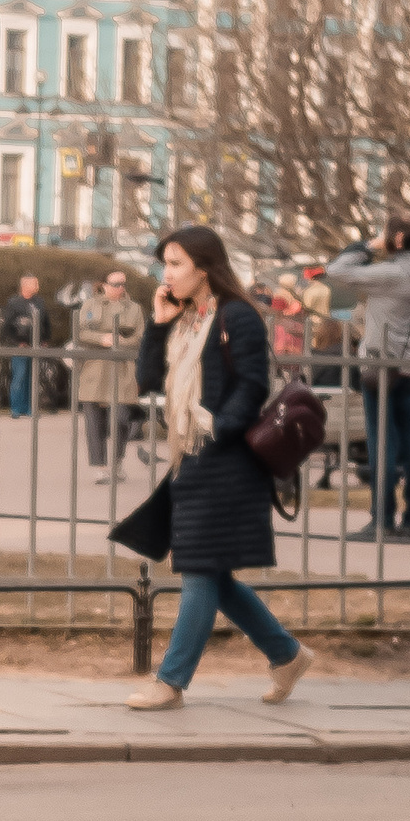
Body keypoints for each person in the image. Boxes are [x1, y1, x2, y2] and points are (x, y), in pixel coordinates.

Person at [124, 226, 306, 712]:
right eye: (165, 264)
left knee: (200, 570)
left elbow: (251, 386)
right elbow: (146, 380)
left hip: (227, 461)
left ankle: (170, 681)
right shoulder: (184, 318)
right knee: (213, 575)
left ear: (205, 268)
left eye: (176, 264)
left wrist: (219, 431)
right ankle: (286, 654)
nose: (167, 274)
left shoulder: (237, 317)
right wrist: (158, 324)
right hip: (192, 457)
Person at [323, 220, 410, 541]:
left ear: (397, 238)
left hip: (380, 366)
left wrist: (369, 246)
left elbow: (336, 271)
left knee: (382, 445)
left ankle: (382, 520)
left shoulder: (390, 274)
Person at [70, 266, 147, 470]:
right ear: (104, 285)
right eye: (115, 284)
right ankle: (99, 466)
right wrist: (101, 338)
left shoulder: (134, 308)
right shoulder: (90, 305)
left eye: (123, 283)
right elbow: (79, 332)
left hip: (122, 368)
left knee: (122, 418)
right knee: (94, 421)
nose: (119, 288)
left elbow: (140, 337)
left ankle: (117, 460)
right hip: (94, 368)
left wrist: (121, 342)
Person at [0, 269, 46, 418]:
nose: (37, 285)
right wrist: (16, 342)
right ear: (25, 285)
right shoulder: (14, 302)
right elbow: (7, 325)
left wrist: (44, 339)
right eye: (34, 283)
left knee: (33, 377)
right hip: (19, 345)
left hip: (35, 345)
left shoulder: (39, 302)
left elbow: (44, 322)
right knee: (20, 376)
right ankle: (16, 408)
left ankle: (30, 408)